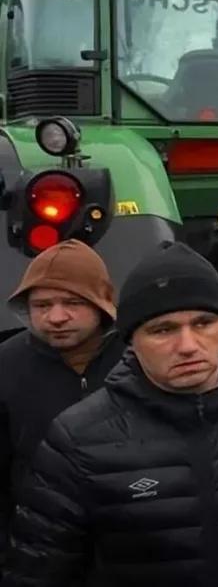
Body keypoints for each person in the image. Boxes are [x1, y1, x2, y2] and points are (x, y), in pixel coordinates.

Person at [2, 241, 218, 587]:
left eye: (204, 322)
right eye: (163, 330)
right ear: (131, 340)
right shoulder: (76, 439)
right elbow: (38, 569)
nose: (187, 346)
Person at [0, 241, 125, 571]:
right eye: (42, 305)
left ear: (102, 302)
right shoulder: (6, 364)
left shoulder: (138, 357)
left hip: (132, 546)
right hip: (42, 551)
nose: (56, 317)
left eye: (73, 302)